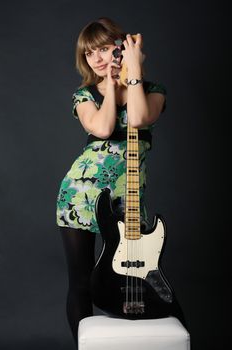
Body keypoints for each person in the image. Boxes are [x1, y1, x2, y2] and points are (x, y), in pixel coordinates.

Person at [56, 17, 171, 348]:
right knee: (81, 282)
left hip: (127, 200)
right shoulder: (85, 95)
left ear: (122, 46)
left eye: (105, 48)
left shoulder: (153, 91)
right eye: (91, 54)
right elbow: (103, 129)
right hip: (78, 196)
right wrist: (107, 81)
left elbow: (137, 118)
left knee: (126, 278)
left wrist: (131, 71)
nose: (99, 58)